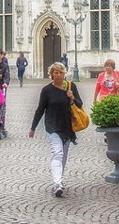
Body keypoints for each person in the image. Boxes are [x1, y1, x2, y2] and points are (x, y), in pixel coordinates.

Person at [29, 62, 83, 198]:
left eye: (60, 72)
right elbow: (40, 109)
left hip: (67, 126)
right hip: (52, 126)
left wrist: (72, 97)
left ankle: (59, 179)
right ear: (51, 74)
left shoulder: (71, 87)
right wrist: (33, 128)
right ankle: (57, 184)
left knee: (63, 156)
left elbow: (80, 104)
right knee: (57, 153)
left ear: (64, 74)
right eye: (55, 73)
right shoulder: (46, 91)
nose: (58, 75)